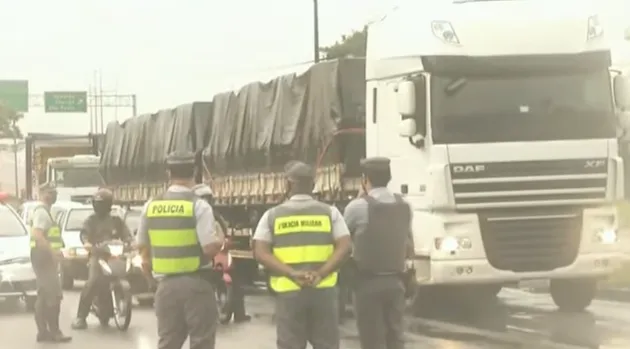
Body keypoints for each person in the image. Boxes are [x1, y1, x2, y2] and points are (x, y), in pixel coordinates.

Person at [253, 161, 352, 349]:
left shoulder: (272, 216)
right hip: (323, 291)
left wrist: (291, 274)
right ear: (313, 185)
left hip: (288, 292)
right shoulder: (330, 213)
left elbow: (260, 252)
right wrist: (321, 274)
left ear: (287, 184)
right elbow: (345, 246)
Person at [136, 151, 224, 349]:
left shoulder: (151, 205)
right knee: (201, 342)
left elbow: (142, 247)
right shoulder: (199, 206)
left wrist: (151, 279)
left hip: (165, 286)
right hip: (197, 284)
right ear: (194, 171)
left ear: (168, 173)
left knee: (168, 343)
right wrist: (221, 239)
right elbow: (209, 249)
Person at [343, 157, 415, 349]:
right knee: (395, 338)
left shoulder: (357, 207)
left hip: (367, 284)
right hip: (397, 282)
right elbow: (408, 241)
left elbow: (343, 241)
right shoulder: (404, 206)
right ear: (389, 178)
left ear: (365, 179)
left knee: (371, 340)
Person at [72, 188, 133, 329]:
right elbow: (84, 234)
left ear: (108, 204)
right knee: (92, 282)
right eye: (96, 203)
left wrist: (131, 242)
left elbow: (126, 235)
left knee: (129, 271)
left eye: (101, 203)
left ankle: (118, 301)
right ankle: (80, 317)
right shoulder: (91, 220)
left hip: (114, 255)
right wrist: (87, 243)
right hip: (97, 256)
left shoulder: (116, 220)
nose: (98, 205)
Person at [192, 183, 251, 323]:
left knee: (236, 281)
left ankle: (239, 314)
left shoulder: (216, 216)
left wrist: (228, 241)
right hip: (200, 258)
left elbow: (224, 232)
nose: (206, 201)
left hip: (218, 255)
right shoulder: (191, 216)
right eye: (203, 198)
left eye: (208, 198)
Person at [29, 183, 72, 343]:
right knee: (54, 295)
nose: (53, 195)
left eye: (54, 192)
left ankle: (43, 331)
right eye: (49, 192)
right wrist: (53, 253)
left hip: (42, 257)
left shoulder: (45, 211)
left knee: (44, 294)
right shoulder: (41, 212)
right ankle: (54, 331)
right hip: (44, 257)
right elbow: (38, 235)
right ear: (41, 193)